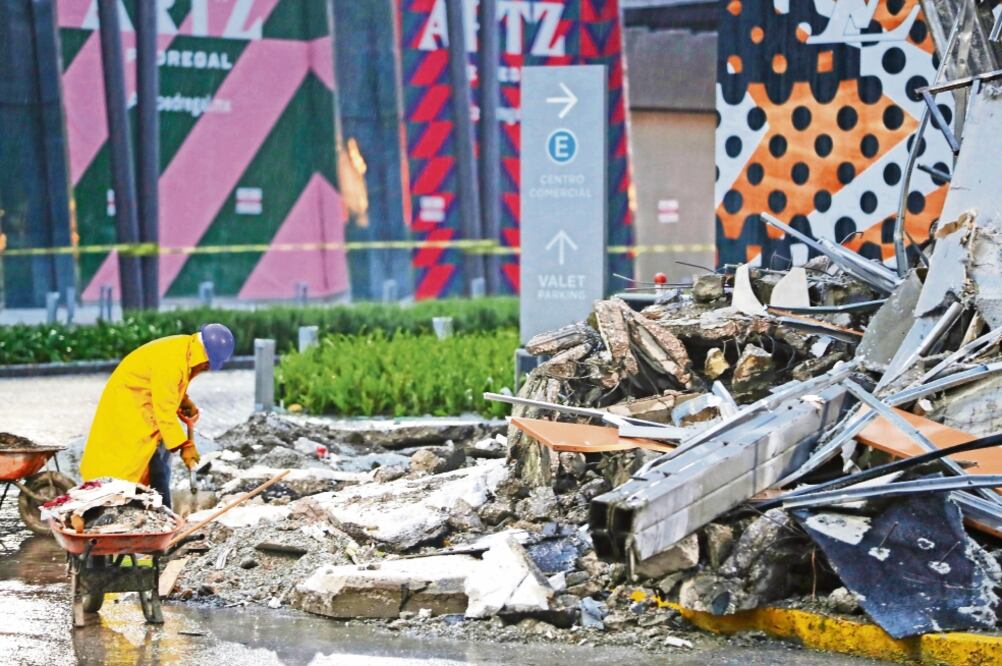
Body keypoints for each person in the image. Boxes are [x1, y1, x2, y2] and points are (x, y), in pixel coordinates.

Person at [80, 323, 235, 508]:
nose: (207, 369)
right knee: (127, 463)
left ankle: (154, 507)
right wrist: (185, 446)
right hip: (130, 405)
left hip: (144, 403)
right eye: (207, 365)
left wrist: (184, 400)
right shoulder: (172, 361)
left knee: (156, 461)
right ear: (205, 356)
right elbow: (165, 411)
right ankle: (118, 505)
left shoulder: (186, 350)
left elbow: (170, 388)